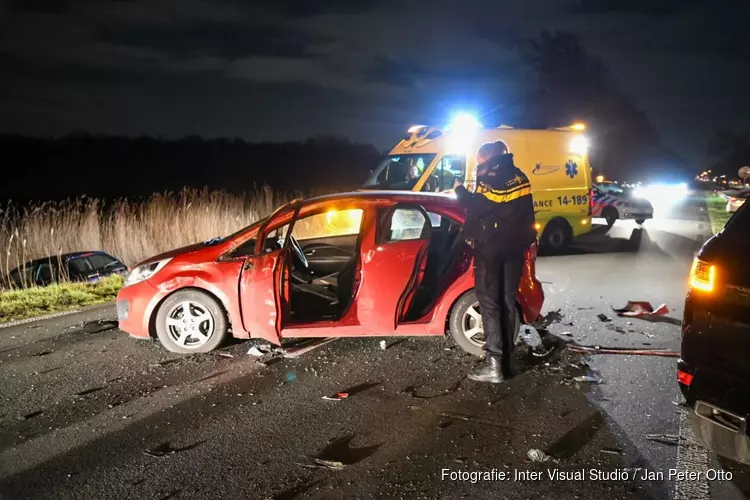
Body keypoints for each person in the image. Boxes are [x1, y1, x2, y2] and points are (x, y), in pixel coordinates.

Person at [453, 141, 536, 383]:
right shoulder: (520, 177)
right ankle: (507, 361)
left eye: (481, 162)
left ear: (489, 160)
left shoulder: (491, 182)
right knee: (508, 303)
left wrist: (460, 190)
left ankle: (494, 365)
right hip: (515, 249)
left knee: (490, 303)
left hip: (491, 250)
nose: (481, 167)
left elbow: (474, 206)